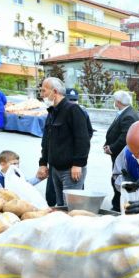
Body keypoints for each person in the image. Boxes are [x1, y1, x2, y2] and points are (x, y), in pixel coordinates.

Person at [37, 77, 91, 207]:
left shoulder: (73, 110)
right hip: (55, 169)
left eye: (44, 91)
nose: (41, 95)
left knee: (71, 208)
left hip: (71, 171)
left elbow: (83, 139)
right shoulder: (52, 112)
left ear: (54, 91)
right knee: (61, 206)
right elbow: (46, 141)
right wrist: (43, 163)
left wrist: (78, 164)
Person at [103, 90, 139, 211]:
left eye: (115, 101)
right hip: (117, 154)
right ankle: (117, 204)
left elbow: (125, 137)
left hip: (121, 155)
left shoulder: (128, 115)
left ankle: (119, 207)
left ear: (118, 102)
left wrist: (112, 148)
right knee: (116, 179)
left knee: (119, 180)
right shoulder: (124, 113)